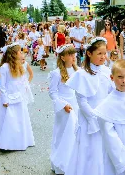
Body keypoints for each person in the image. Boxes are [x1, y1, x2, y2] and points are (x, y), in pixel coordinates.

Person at [66, 37, 113, 175]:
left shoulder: (107, 71)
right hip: (90, 118)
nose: (103, 57)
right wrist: (93, 118)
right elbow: (82, 100)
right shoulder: (82, 74)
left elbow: (111, 93)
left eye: (105, 53)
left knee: (105, 149)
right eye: (99, 53)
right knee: (90, 148)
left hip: (105, 116)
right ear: (89, 53)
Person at [0, 44, 35, 150]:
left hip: (19, 96)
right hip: (8, 98)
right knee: (9, 120)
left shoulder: (19, 66)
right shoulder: (4, 67)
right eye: (20, 52)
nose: (22, 53)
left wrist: (24, 89)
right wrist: (5, 99)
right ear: (13, 54)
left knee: (20, 119)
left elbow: (21, 81)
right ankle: (6, 143)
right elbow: (2, 86)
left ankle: (20, 141)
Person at [48, 44, 79, 174]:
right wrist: (62, 104)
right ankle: (60, 162)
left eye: (74, 54)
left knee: (75, 133)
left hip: (76, 104)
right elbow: (53, 92)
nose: (73, 57)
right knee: (63, 133)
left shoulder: (78, 71)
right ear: (62, 57)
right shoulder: (56, 73)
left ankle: (73, 162)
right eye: (70, 55)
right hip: (64, 106)